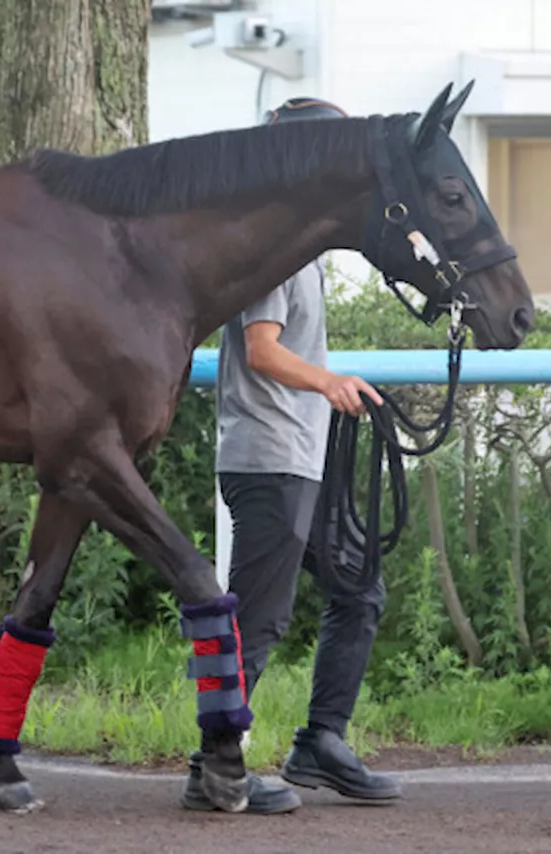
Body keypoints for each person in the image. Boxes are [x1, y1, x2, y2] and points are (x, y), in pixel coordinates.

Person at [181, 97, 404, 815]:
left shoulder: (302, 247)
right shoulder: (270, 246)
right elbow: (262, 349)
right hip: (268, 456)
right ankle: (211, 767)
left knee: (359, 591)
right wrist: (329, 381)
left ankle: (323, 742)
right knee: (259, 619)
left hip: (303, 455)